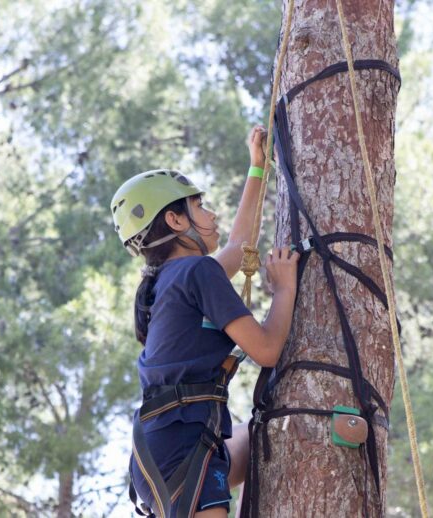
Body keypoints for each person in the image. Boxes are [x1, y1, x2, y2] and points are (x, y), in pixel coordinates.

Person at [110, 126, 299, 518]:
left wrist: (257, 168)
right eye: (200, 207)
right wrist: (283, 290)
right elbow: (266, 350)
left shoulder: (170, 280)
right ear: (177, 222)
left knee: (262, 439)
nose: (211, 215)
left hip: (166, 445)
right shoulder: (196, 273)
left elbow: (239, 244)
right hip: (184, 445)